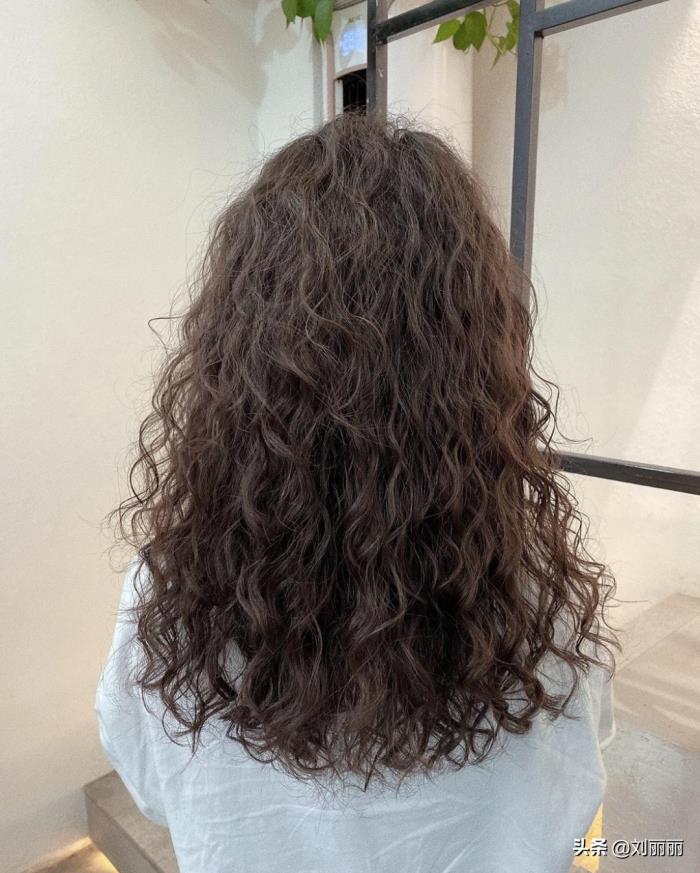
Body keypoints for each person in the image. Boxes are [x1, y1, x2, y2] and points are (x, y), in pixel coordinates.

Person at [96, 112, 617, 873]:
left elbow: (149, 783)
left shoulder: (173, 598)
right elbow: (572, 800)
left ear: (237, 354)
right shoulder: (536, 600)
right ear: (477, 355)